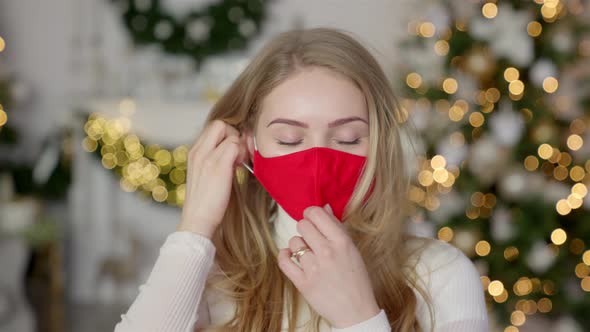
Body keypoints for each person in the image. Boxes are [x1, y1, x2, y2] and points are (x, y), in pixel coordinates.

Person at [113, 27, 488, 332]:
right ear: (249, 144)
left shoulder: (441, 274)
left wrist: (359, 317)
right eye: (289, 139)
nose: (317, 161)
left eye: (348, 139)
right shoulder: (211, 277)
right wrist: (194, 226)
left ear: (380, 144)